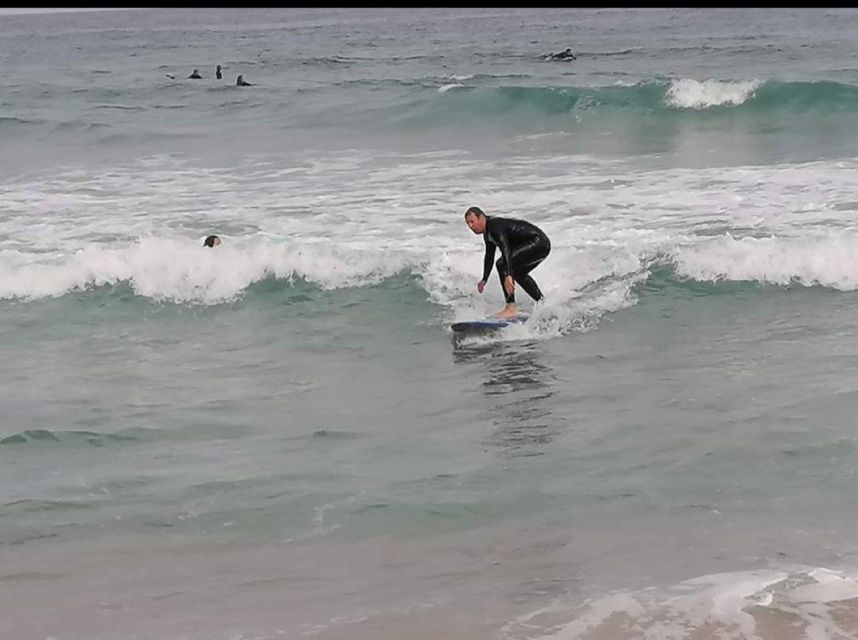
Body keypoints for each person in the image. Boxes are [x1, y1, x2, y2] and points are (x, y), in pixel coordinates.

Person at [464, 206, 551, 318]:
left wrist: (509, 275)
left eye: (472, 222)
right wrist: (484, 279)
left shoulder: (494, 227)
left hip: (538, 242)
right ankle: (542, 303)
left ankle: (511, 308)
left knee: (501, 264)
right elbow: (489, 255)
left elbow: (505, 249)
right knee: (519, 274)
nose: (471, 226)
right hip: (542, 245)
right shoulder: (488, 233)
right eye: (468, 223)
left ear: (481, 217)